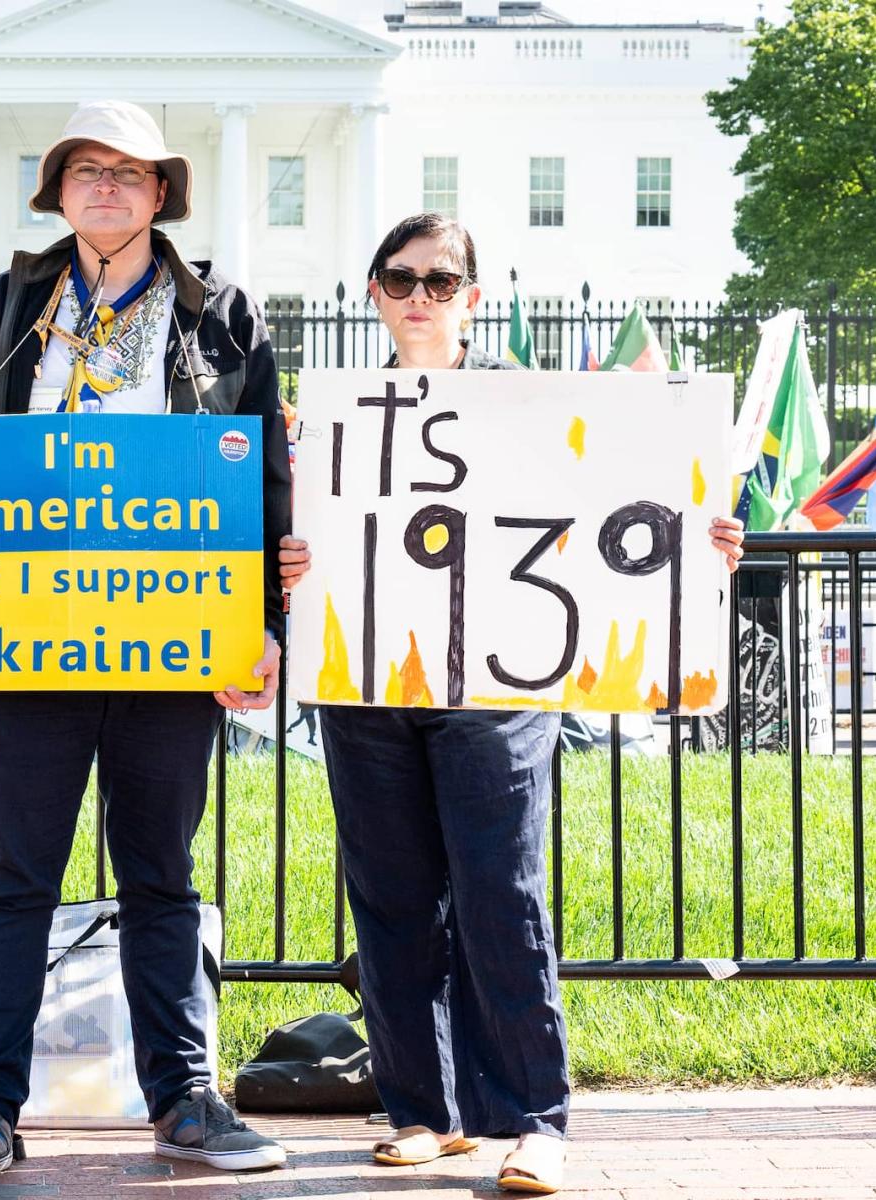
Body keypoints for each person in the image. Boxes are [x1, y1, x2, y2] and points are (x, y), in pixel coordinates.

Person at [277, 212, 745, 1196]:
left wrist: (705, 538)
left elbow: (637, 505)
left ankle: (536, 1116)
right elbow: (292, 543)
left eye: (439, 282)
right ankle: (419, 1110)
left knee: (501, 892)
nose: (418, 297)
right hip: (368, 679)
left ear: (472, 299)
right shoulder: (333, 421)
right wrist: (293, 559)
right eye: (399, 279)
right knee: (392, 897)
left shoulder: (529, 404)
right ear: (372, 293)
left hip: (498, 679)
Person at [0, 100, 291, 1188]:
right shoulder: (11, 297)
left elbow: (262, 475)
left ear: (162, 191)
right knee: (15, 875)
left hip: (170, 630)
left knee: (162, 872)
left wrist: (261, 621)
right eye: (86, 170)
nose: (107, 187)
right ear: (58, 191)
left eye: (129, 171)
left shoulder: (222, 312)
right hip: (28, 635)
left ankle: (187, 1099)